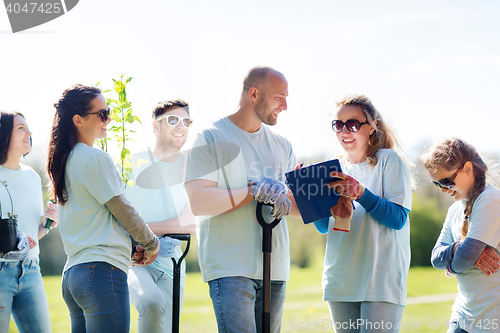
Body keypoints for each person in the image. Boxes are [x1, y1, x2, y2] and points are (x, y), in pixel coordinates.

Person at [185, 66, 300, 333]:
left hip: (275, 267)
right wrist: (251, 192)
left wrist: (321, 195)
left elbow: (298, 208)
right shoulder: (212, 137)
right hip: (230, 267)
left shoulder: (283, 145)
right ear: (254, 93)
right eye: (279, 97)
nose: (285, 106)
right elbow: (199, 202)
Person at [46, 84, 160, 333]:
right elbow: (123, 210)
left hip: (75, 274)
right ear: (78, 120)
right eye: (103, 113)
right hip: (100, 274)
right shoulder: (94, 158)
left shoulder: (65, 161)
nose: (109, 118)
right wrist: (151, 244)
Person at [312, 94, 412, 332]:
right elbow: (326, 227)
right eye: (338, 125)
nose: (345, 131)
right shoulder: (331, 166)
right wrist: (309, 198)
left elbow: (398, 219)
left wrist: (361, 194)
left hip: (380, 280)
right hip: (340, 279)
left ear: (371, 127)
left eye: (353, 124)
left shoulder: (388, 160)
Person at [126, 99, 195, 333]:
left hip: (173, 263)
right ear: (155, 127)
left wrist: (146, 231)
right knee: (151, 303)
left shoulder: (194, 169)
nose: (181, 126)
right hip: (134, 261)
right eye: (172, 120)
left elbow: (192, 223)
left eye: (186, 121)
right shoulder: (131, 164)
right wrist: (148, 238)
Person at [422, 137, 500, 333]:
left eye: (447, 181)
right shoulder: (454, 210)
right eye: (438, 184)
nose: (444, 190)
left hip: (493, 317)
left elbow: (466, 257)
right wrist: (457, 247)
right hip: (463, 315)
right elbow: (435, 257)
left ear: (467, 168)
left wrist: (452, 266)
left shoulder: (490, 199)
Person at [0, 111, 58, 333]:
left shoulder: (33, 177)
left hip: (32, 271)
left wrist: (47, 223)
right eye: (21, 128)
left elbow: (34, 234)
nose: (29, 133)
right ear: (4, 135)